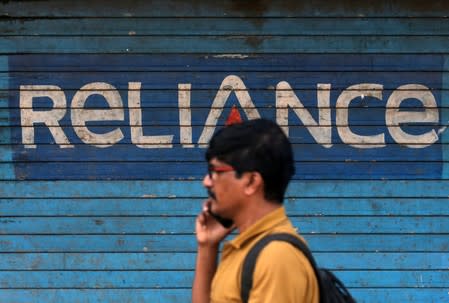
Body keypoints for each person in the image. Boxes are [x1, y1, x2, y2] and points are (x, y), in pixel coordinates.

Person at [192, 118, 319, 303]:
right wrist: (207, 247)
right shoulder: (248, 248)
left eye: (215, 171)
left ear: (251, 181)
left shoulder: (276, 257)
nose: (207, 181)